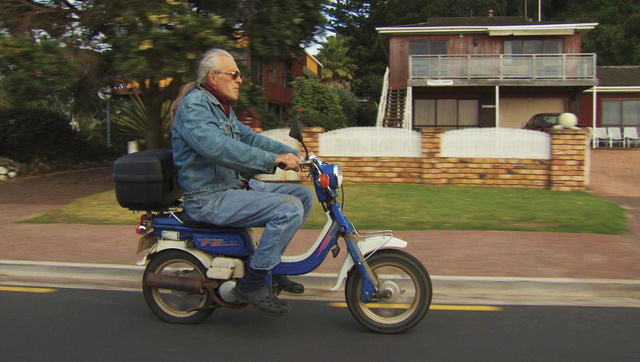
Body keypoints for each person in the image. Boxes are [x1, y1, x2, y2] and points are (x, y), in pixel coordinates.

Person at [171, 48, 313, 314]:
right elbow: (219, 148)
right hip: (208, 197)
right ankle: (253, 283)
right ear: (213, 77)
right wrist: (272, 161)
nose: (239, 80)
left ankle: (269, 265)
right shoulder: (195, 107)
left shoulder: (221, 108)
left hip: (230, 186)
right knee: (288, 208)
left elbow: (248, 138)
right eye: (234, 74)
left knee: (303, 197)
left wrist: (296, 154)